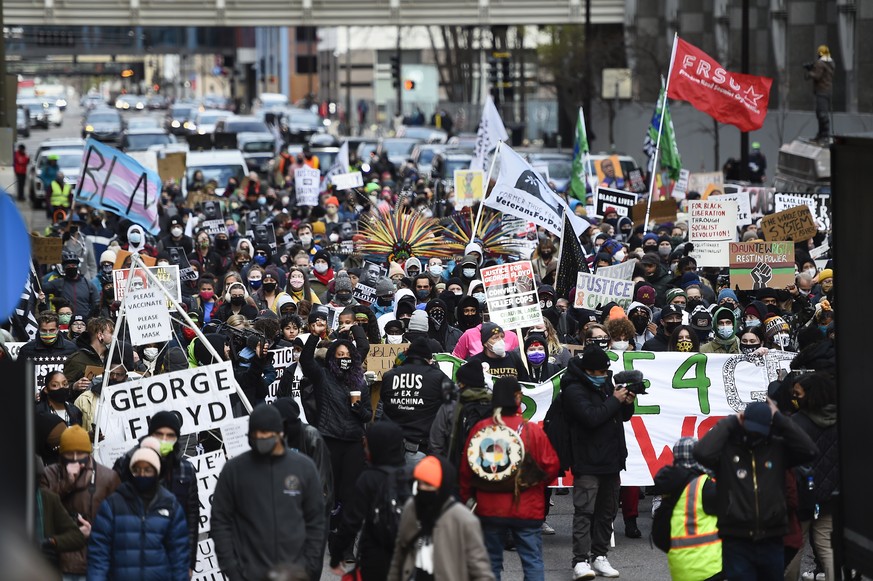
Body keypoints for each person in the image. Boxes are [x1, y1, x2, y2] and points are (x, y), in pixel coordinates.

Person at [693, 400, 817, 581]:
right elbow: (701, 453)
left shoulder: (777, 448)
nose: (755, 434)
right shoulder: (728, 450)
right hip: (736, 539)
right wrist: (731, 421)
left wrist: (780, 419)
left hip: (772, 538)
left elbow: (810, 450)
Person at [460, 377, 560, 581]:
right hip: (527, 507)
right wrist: (534, 486)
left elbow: (466, 470)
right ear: (517, 398)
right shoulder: (531, 431)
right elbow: (552, 466)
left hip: (490, 507)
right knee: (532, 561)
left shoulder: (481, 429)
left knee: (490, 563)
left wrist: (466, 499)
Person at [211, 404, 325, 581]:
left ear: (280, 433)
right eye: (256, 434)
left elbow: (316, 520)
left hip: (295, 574)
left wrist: (309, 566)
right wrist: (232, 569)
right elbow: (220, 520)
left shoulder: (304, 468)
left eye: (266, 434)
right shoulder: (234, 471)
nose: (261, 438)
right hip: (249, 574)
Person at [561, 345, 635, 579]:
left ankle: (600, 555)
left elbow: (622, 416)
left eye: (604, 372)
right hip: (587, 461)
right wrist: (614, 400)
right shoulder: (573, 389)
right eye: (597, 372)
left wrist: (627, 402)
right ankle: (580, 561)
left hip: (611, 460)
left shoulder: (605, 385)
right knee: (585, 512)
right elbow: (591, 418)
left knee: (607, 512)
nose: (602, 376)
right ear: (587, 371)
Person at [298, 326, 373, 544]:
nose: (344, 358)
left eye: (348, 355)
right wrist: (315, 335)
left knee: (349, 492)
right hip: (329, 439)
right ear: (333, 357)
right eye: (340, 355)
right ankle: (328, 530)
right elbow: (306, 360)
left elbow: (368, 415)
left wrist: (360, 410)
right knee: (329, 491)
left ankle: (344, 539)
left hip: (353, 443)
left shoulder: (360, 382)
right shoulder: (323, 377)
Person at [87, 440, 189, 581]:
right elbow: (99, 552)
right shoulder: (112, 505)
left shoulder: (170, 504)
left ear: (157, 472)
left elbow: (179, 555)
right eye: (137, 469)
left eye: (148, 470)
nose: (142, 474)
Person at [112, 412, 200, 573]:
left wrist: (189, 562)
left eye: (170, 436)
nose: (164, 440)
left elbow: (192, 517)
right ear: (150, 435)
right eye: (159, 434)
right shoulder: (127, 464)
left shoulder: (185, 470)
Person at [388, 455, 495, 581]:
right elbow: (399, 555)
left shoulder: (463, 520)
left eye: (428, 484)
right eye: (419, 483)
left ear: (443, 486)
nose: (422, 489)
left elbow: (481, 571)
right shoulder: (412, 508)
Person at [40, 425, 121, 580]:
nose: (76, 458)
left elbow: (118, 521)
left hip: (94, 561)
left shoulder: (108, 478)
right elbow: (41, 510)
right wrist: (66, 485)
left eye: (81, 453)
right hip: (57, 560)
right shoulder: (48, 475)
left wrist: (95, 531)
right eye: (70, 453)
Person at [330, 422, 408, 580]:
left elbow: (351, 521)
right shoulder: (410, 476)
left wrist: (337, 554)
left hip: (375, 555)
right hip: (406, 554)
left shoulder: (369, 478)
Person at [785, 373, 839, 581]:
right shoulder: (841, 419)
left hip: (801, 496)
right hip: (831, 495)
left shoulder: (795, 423)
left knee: (795, 546)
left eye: (798, 394)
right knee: (827, 545)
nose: (795, 398)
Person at [650, 437, 722, 581]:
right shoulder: (703, 486)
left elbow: (660, 537)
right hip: (710, 568)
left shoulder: (670, 486)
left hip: (681, 571)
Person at [381, 338, 453, 465]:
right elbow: (454, 398)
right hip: (421, 449)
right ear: (428, 359)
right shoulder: (438, 377)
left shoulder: (389, 376)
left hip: (390, 448)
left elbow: (383, 405)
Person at [805, 45, 835, 141]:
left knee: (821, 113)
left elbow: (817, 76)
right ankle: (822, 134)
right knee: (822, 112)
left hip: (821, 91)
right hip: (828, 91)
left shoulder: (820, 63)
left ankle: (823, 135)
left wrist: (810, 71)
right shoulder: (831, 63)